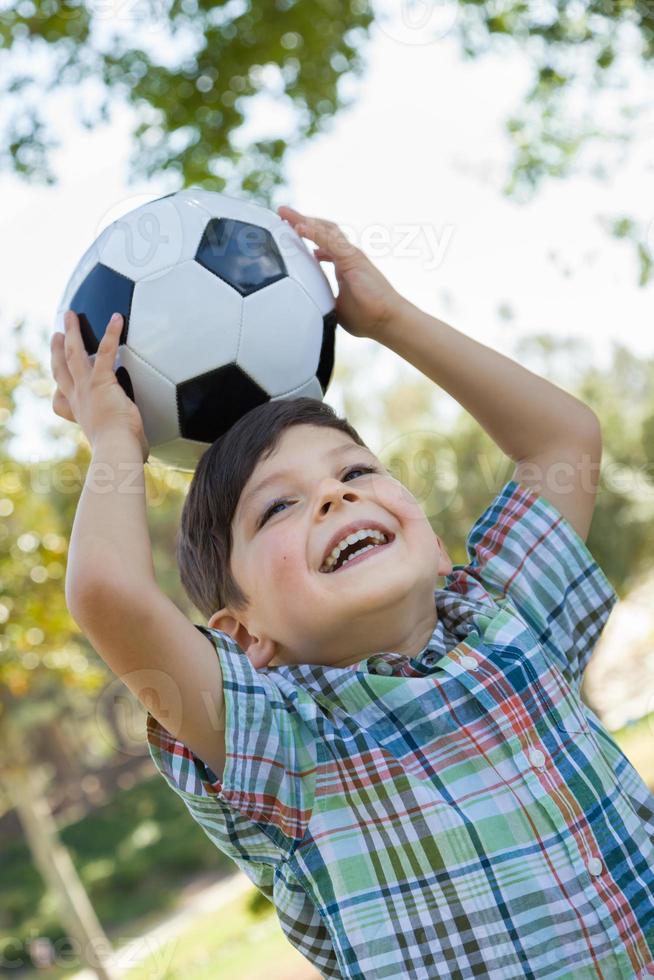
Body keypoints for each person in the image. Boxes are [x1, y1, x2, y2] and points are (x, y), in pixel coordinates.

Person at [52, 205, 654, 978]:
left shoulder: (508, 626)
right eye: (279, 506)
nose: (335, 499)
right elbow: (109, 593)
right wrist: (113, 440)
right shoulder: (285, 743)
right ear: (242, 638)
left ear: (434, 543)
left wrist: (390, 318)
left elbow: (563, 440)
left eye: (357, 473)